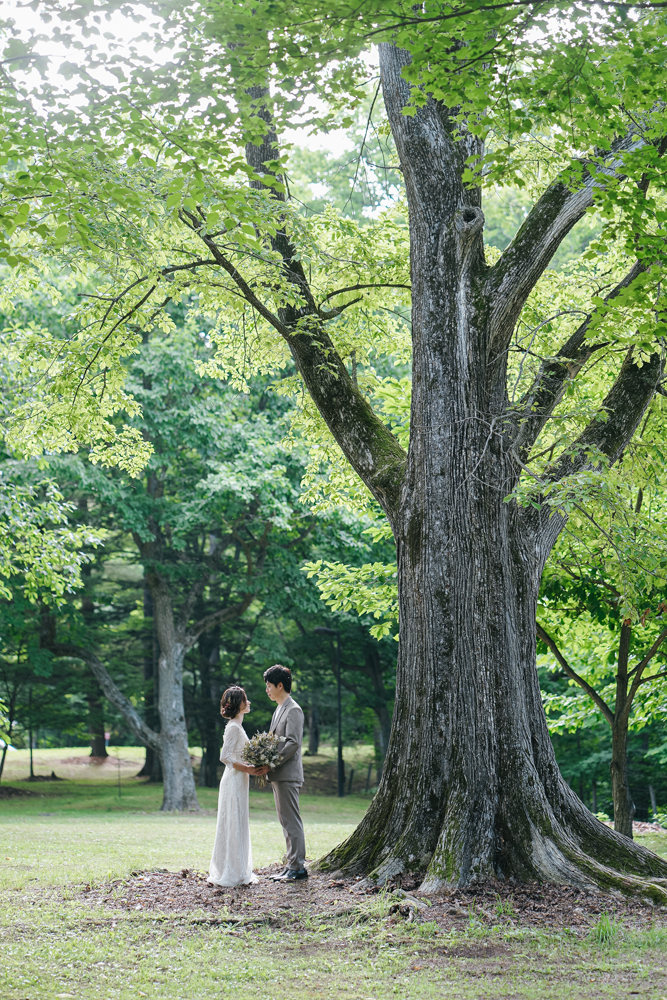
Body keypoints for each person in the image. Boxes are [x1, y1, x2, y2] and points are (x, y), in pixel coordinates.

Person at [208, 685, 265, 887]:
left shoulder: (238, 726)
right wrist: (247, 768)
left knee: (238, 821)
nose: (248, 702)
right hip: (233, 779)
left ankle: (239, 869)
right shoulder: (233, 727)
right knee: (233, 822)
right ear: (238, 704)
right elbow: (225, 756)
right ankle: (230, 871)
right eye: (245, 699)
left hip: (240, 780)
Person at [264, 664, 308, 882]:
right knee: (285, 821)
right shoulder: (280, 708)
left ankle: (298, 868)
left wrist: (271, 763)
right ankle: (291, 865)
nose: (267, 690)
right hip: (279, 775)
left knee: (291, 821)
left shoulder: (293, 710)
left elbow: (293, 743)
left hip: (287, 774)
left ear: (280, 685)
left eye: (269, 685)